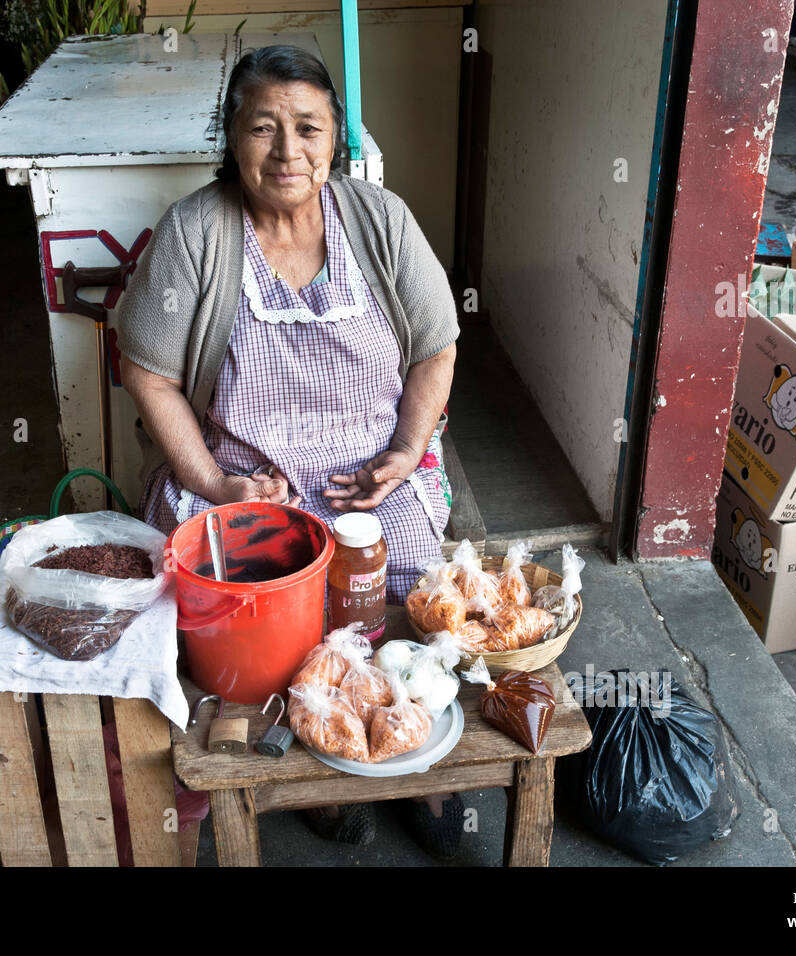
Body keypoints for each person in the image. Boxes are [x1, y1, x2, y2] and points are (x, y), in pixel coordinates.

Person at [116, 45, 465, 858]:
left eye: (308, 128)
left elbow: (437, 347)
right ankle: (302, 765)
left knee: (412, 590)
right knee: (257, 625)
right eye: (262, 128)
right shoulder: (197, 231)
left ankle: (402, 737)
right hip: (242, 488)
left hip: (368, 485)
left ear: (336, 138)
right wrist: (213, 480)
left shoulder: (379, 220)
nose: (286, 151)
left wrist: (409, 449)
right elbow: (149, 373)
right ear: (231, 137)